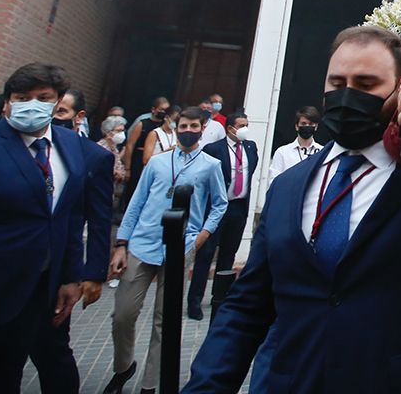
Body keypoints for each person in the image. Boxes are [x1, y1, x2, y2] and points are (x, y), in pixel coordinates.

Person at [184, 24, 401, 393]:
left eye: (367, 83)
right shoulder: (287, 187)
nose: (348, 94)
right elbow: (248, 307)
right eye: (337, 83)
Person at [0, 63, 88, 392]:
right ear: (7, 102)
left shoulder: (70, 146)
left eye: (43, 97)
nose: (32, 104)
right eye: (22, 97)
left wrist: (71, 276)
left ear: (57, 103)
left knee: (7, 377)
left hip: (36, 294)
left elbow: (69, 217)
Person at [103, 108, 228, 394]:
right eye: (183, 125)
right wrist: (121, 243)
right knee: (123, 314)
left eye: (194, 126)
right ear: (174, 126)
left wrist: (202, 235)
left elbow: (220, 203)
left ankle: (150, 383)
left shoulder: (210, 165)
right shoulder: (158, 163)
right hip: (143, 242)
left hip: (181, 245)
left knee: (165, 320)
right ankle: (123, 367)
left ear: (202, 128)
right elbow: (136, 202)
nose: (188, 130)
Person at [29, 89, 116, 393]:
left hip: (56, 271)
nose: (53, 117)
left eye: (62, 112)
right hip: (10, 268)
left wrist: (92, 274)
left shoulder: (93, 156)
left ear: (79, 117)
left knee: (51, 350)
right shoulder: (19, 147)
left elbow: (100, 218)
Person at [188, 111, 259, 321]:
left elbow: (249, 172)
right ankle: (194, 300)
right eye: (241, 125)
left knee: (228, 253)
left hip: (238, 207)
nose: (245, 128)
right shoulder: (213, 149)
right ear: (230, 128)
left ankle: (219, 295)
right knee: (206, 254)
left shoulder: (250, 147)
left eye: (247, 124)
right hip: (217, 208)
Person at [122, 97, 168, 204]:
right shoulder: (142, 124)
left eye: (166, 110)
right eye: (161, 109)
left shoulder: (163, 127)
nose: (163, 112)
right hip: (138, 160)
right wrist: (127, 168)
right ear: (153, 109)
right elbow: (130, 145)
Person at [267, 105, 324, 185]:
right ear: (297, 126)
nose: (307, 126)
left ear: (316, 127)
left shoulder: (323, 152)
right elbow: (273, 181)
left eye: (311, 124)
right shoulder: (282, 152)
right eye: (303, 123)